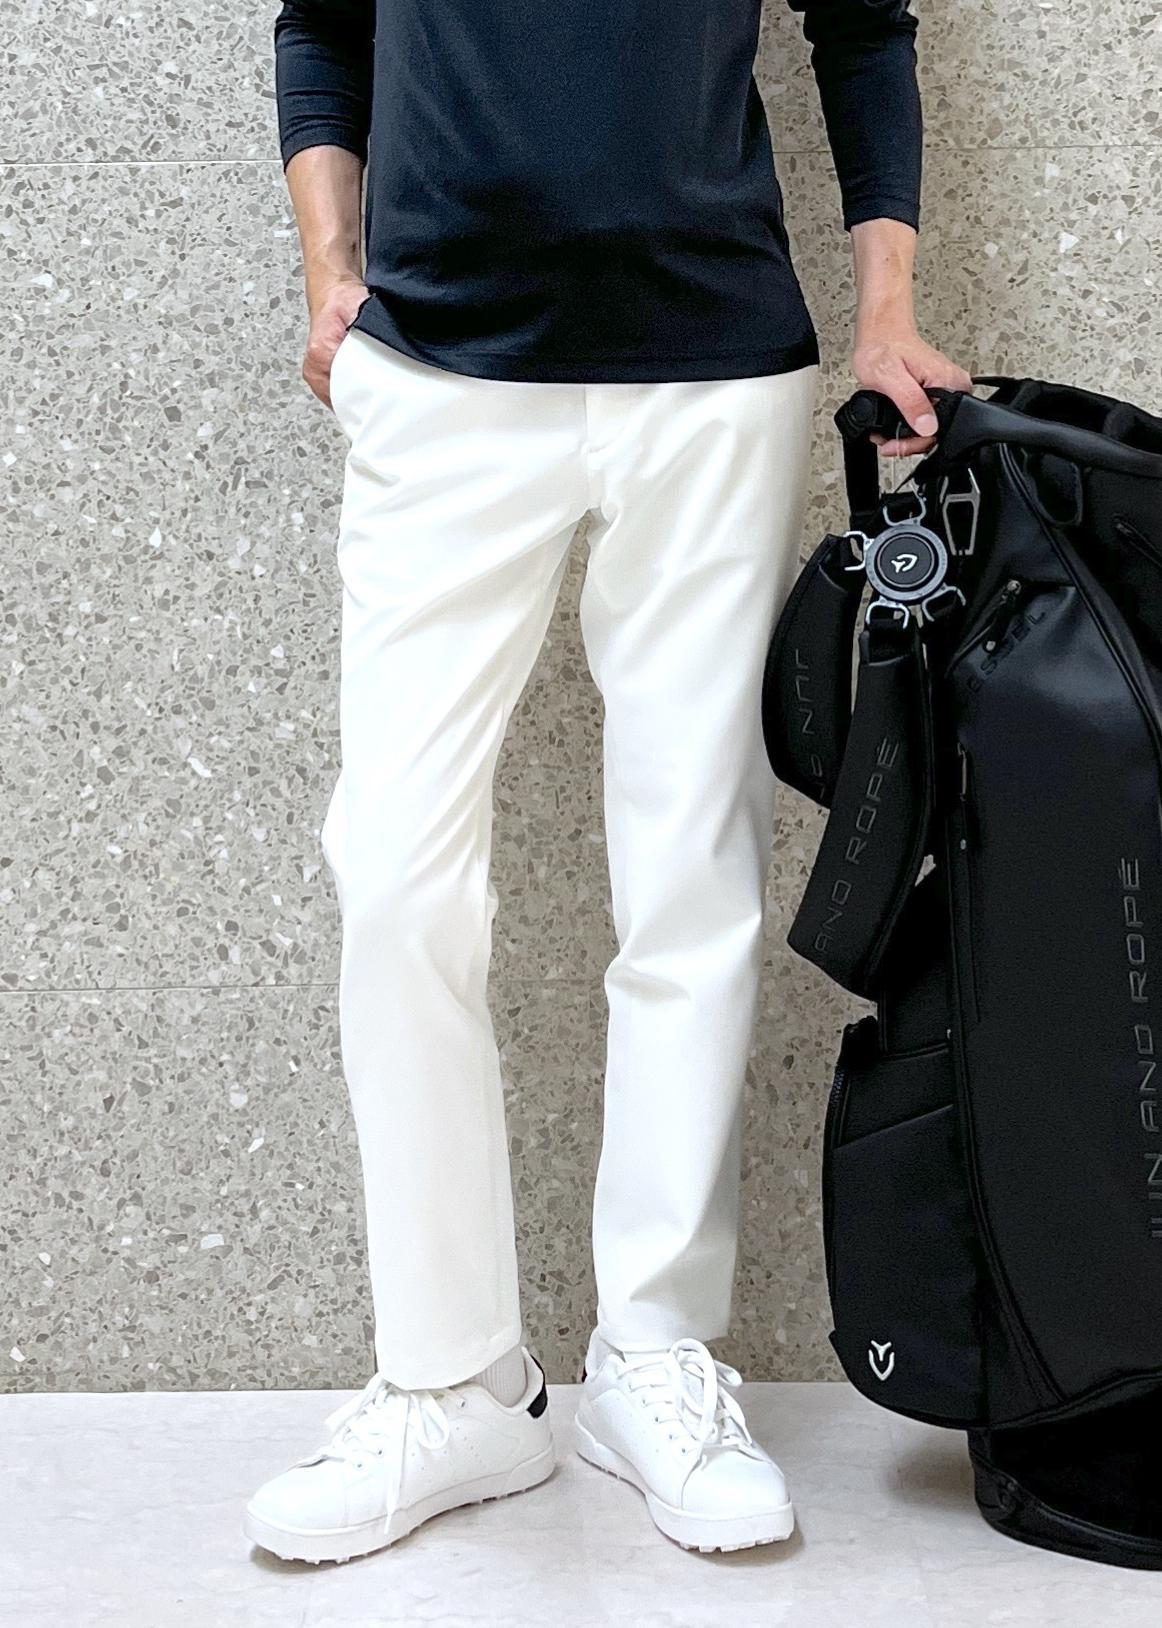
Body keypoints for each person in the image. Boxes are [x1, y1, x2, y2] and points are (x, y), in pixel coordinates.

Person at [244, 0, 972, 1565]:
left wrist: (884, 310)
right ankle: (451, 1381)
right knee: (395, 873)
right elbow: (321, 30)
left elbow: (862, 29)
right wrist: (327, 272)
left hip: (708, 370)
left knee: (689, 876)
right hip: (437, 370)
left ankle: (653, 1351)